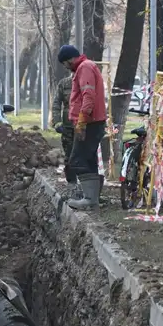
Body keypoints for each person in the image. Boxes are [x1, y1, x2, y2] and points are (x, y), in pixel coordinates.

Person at [57, 45, 106, 210]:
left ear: (70, 59)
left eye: (65, 63)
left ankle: (89, 199)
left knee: (77, 160)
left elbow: (88, 97)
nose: (66, 67)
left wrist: (82, 122)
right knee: (89, 159)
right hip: (92, 122)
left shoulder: (84, 68)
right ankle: (91, 198)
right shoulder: (85, 68)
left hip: (90, 123)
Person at [52, 73, 77, 197]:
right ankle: (72, 184)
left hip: (86, 126)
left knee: (86, 156)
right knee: (70, 155)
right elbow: (56, 103)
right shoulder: (64, 83)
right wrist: (56, 122)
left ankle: (87, 187)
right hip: (68, 127)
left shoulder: (88, 82)